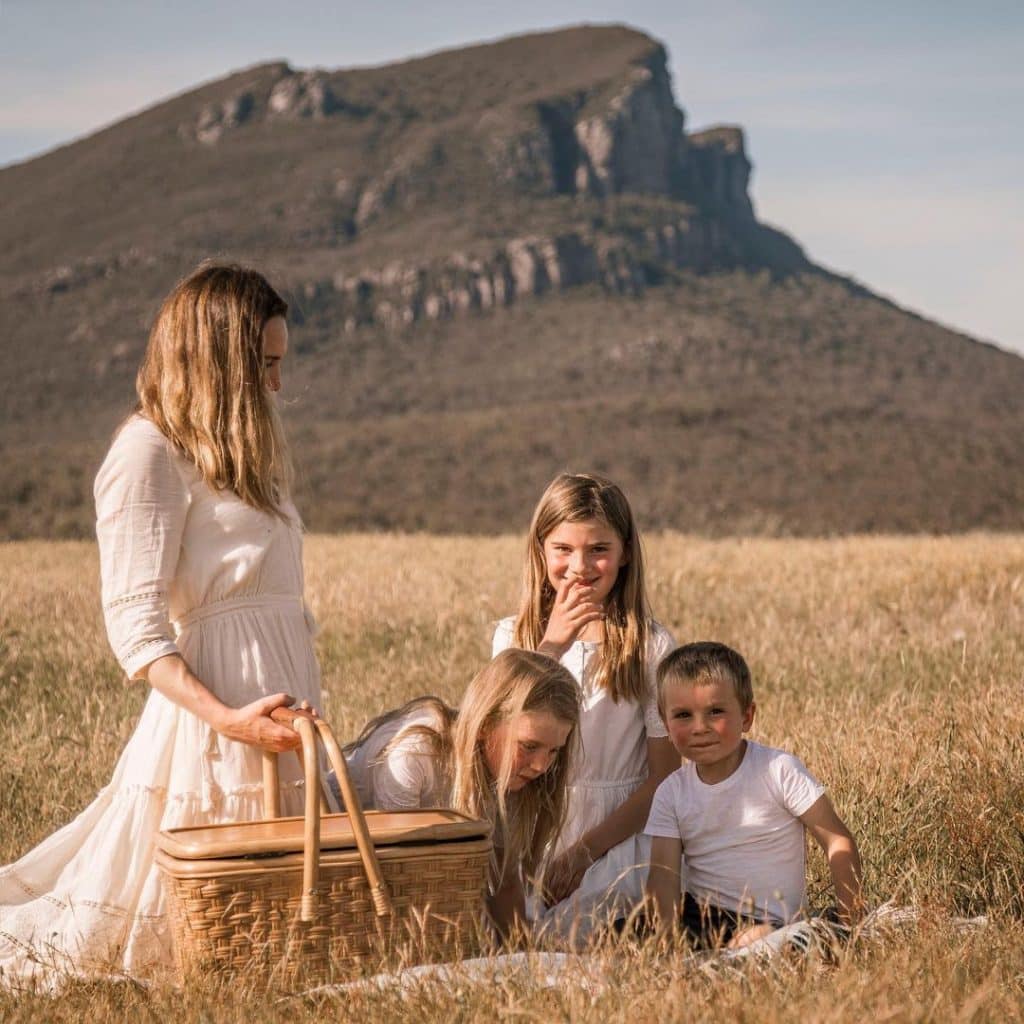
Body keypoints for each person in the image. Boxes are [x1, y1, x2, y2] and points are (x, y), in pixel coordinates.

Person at [0, 263, 322, 985]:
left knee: (289, 907)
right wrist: (231, 719)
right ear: (217, 360)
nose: (276, 386)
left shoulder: (243, 457)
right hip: (219, 709)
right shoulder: (147, 453)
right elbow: (139, 631)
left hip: (285, 698)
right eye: (263, 367)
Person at [492, 472, 678, 942]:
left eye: (599, 549)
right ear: (540, 551)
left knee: (587, 936)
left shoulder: (650, 647)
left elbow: (663, 779)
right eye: (563, 549)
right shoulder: (512, 638)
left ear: (625, 553)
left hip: (616, 835)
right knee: (511, 939)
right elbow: (495, 738)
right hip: (534, 827)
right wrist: (550, 647)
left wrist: (583, 854)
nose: (581, 565)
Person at [332, 648, 581, 938]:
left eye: (553, 751)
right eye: (528, 746)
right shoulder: (416, 754)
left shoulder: (512, 776)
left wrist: (525, 958)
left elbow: (505, 882)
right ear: (486, 724)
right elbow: (399, 873)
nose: (541, 765)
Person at [645, 642, 864, 948]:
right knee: (617, 931)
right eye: (683, 715)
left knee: (769, 941)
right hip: (702, 918)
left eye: (715, 712)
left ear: (747, 716)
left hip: (775, 920)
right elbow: (664, 877)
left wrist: (852, 923)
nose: (699, 727)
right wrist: (667, 941)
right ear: (664, 722)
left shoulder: (777, 770)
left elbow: (837, 840)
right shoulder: (671, 792)